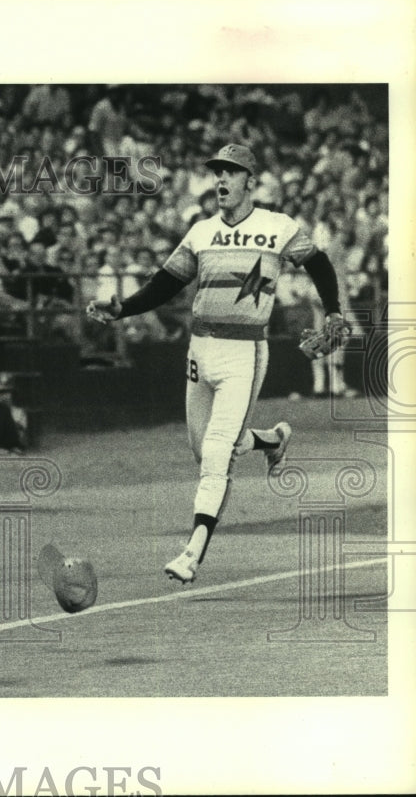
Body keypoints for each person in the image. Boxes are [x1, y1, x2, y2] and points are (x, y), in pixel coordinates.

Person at [86, 144, 349, 585]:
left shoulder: (276, 227)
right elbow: (166, 283)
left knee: (215, 455)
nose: (222, 180)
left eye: (231, 172)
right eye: (217, 173)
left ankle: (192, 552)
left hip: (243, 352)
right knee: (202, 448)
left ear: (250, 180)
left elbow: (319, 263)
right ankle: (273, 440)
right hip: (200, 349)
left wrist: (335, 310)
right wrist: (123, 309)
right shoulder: (201, 232)